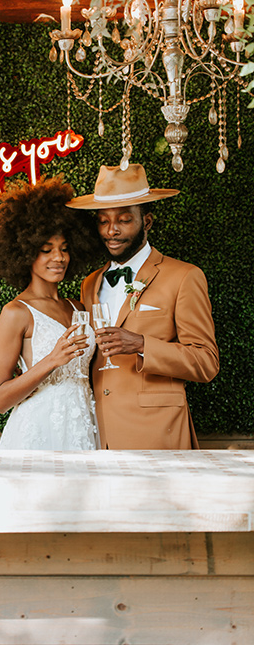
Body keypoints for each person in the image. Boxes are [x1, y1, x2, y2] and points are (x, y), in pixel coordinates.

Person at [66, 163, 219, 450]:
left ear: (146, 221)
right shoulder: (90, 283)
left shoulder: (184, 276)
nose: (111, 231)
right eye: (103, 221)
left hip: (157, 432)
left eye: (124, 220)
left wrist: (140, 343)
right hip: (96, 432)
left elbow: (206, 362)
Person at [0, 175, 101, 451]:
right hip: (38, 433)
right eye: (46, 250)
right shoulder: (16, 312)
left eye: (64, 249)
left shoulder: (78, 307)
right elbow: (0, 399)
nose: (58, 258)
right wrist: (51, 360)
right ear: (25, 253)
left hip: (84, 428)